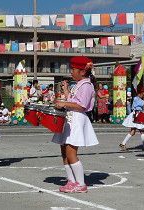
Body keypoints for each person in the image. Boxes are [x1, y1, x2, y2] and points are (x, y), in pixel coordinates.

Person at [52, 56, 98, 193]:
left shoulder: (86, 85)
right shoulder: (79, 84)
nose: (71, 71)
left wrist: (64, 103)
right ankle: (71, 180)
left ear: (82, 72)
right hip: (71, 119)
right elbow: (73, 100)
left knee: (71, 153)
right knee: (64, 153)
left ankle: (81, 184)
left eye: (73, 69)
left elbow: (81, 105)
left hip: (77, 120)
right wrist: (66, 91)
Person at [120, 86, 144, 151]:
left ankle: (123, 143)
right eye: (142, 94)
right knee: (142, 131)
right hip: (138, 116)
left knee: (133, 131)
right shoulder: (138, 99)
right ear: (140, 94)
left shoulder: (135, 98)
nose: (143, 96)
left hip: (135, 115)